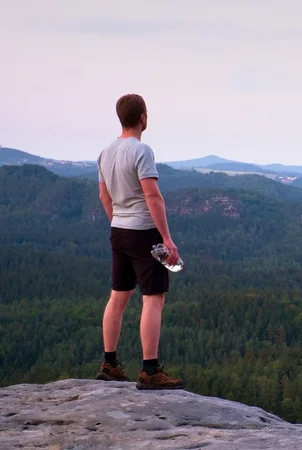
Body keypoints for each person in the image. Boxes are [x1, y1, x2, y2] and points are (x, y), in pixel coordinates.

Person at [95, 93, 185, 390]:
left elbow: (103, 196)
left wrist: (117, 222)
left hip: (118, 230)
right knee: (153, 297)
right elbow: (152, 195)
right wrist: (167, 238)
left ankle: (109, 363)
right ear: (143, 118)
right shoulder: (141, 150)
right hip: (144, 232)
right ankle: (149, 370)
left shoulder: (105, 153)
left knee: (118, 296)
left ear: (121, 118)